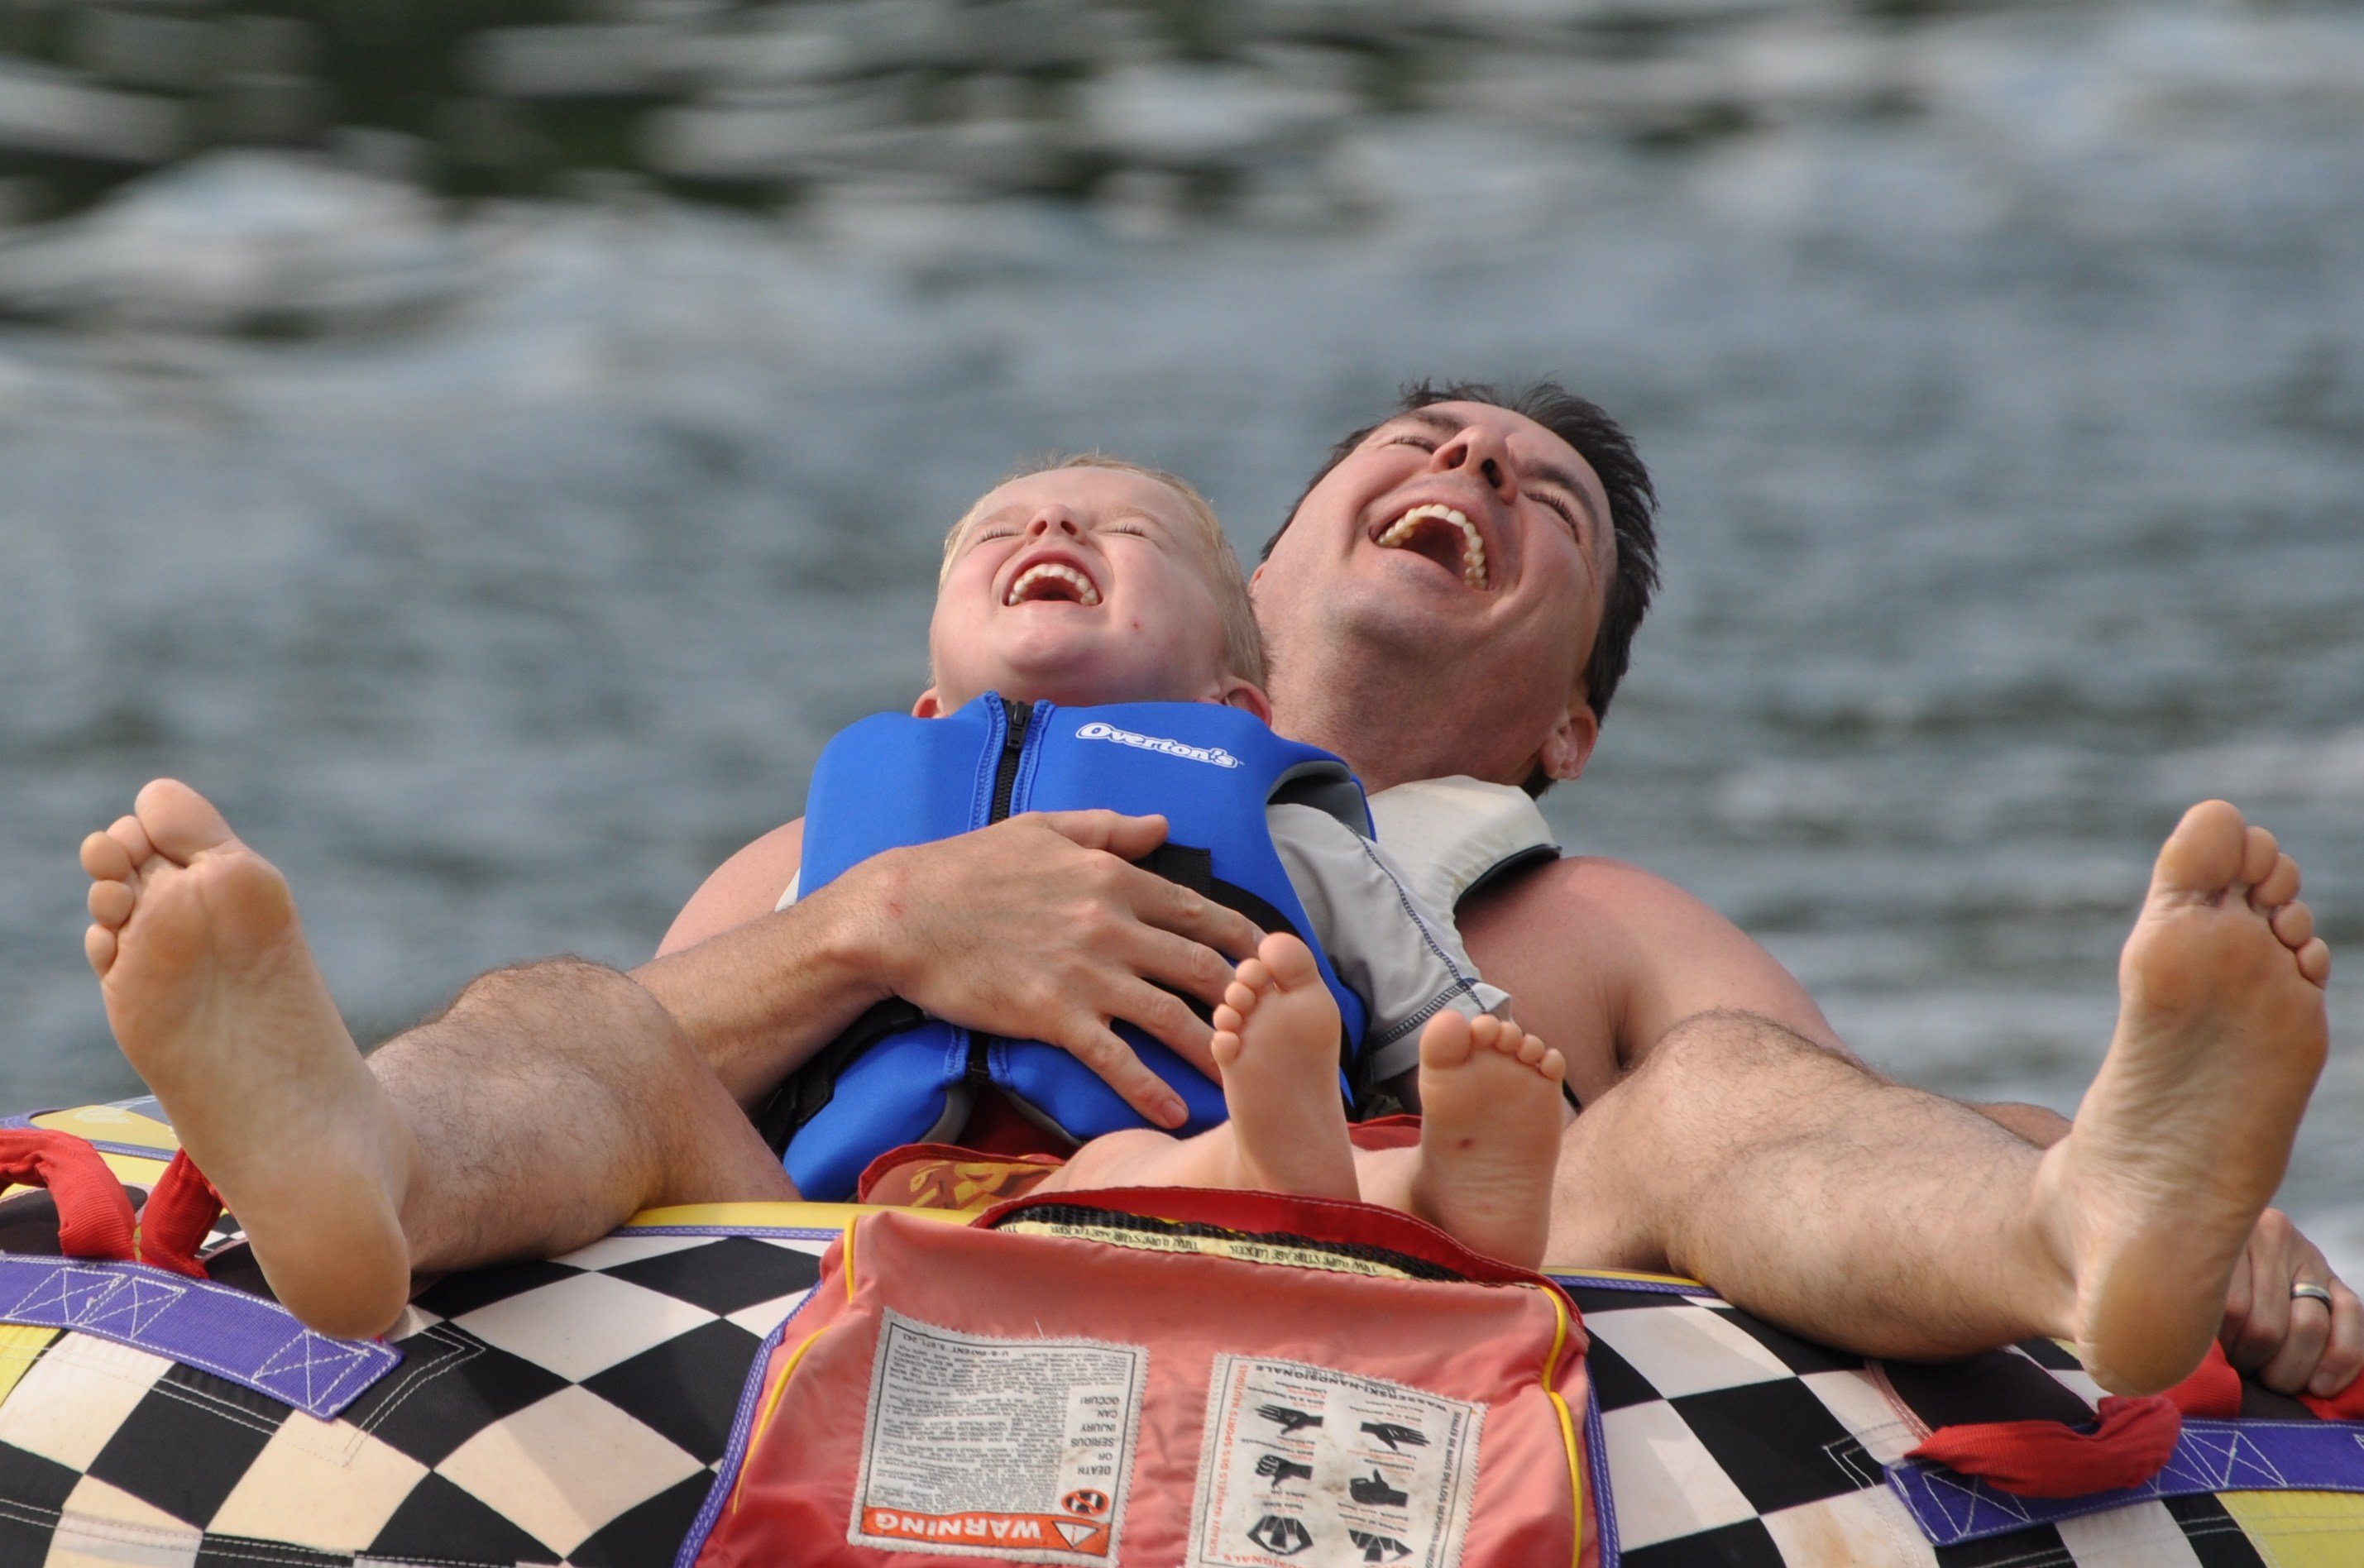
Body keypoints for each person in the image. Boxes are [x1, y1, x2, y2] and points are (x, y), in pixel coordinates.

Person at [76, 381, 2355, 1404]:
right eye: (1422, 437)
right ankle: (347, 1155)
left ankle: (2075, 1248)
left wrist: (2131, 1171)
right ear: (1256, 597)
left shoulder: (1598, 919)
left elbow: (1815, 1109)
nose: (1462, 464)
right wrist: (885, 924)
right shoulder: (843, 837)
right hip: (837, 1254)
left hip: (1390, 1223)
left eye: (1532, 491)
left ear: (1566, 720)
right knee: (572, 1008)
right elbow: (674, 1096)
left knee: (1714, 1095)